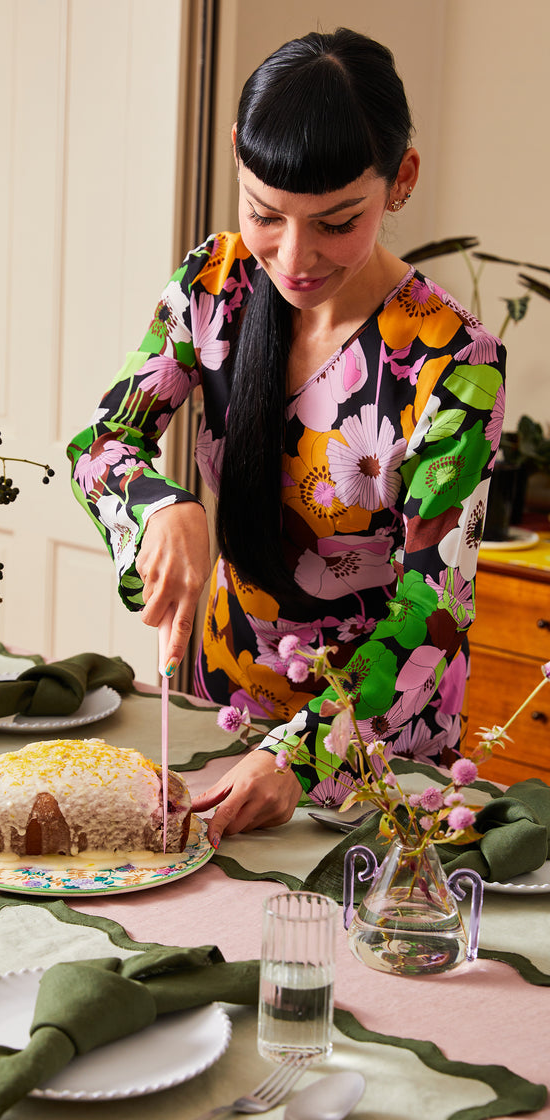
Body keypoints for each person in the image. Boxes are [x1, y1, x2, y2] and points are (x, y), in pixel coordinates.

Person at [66, 28, 506, 848]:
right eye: (264, 215)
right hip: (219, 709)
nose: (294, 259)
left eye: (337, 222)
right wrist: (162, 506)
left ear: (401, 178)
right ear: (238, 158)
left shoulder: (456, 361)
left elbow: (433, 615)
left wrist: (300, 757)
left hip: (374, 750)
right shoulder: (216, 284)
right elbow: (102, 443)